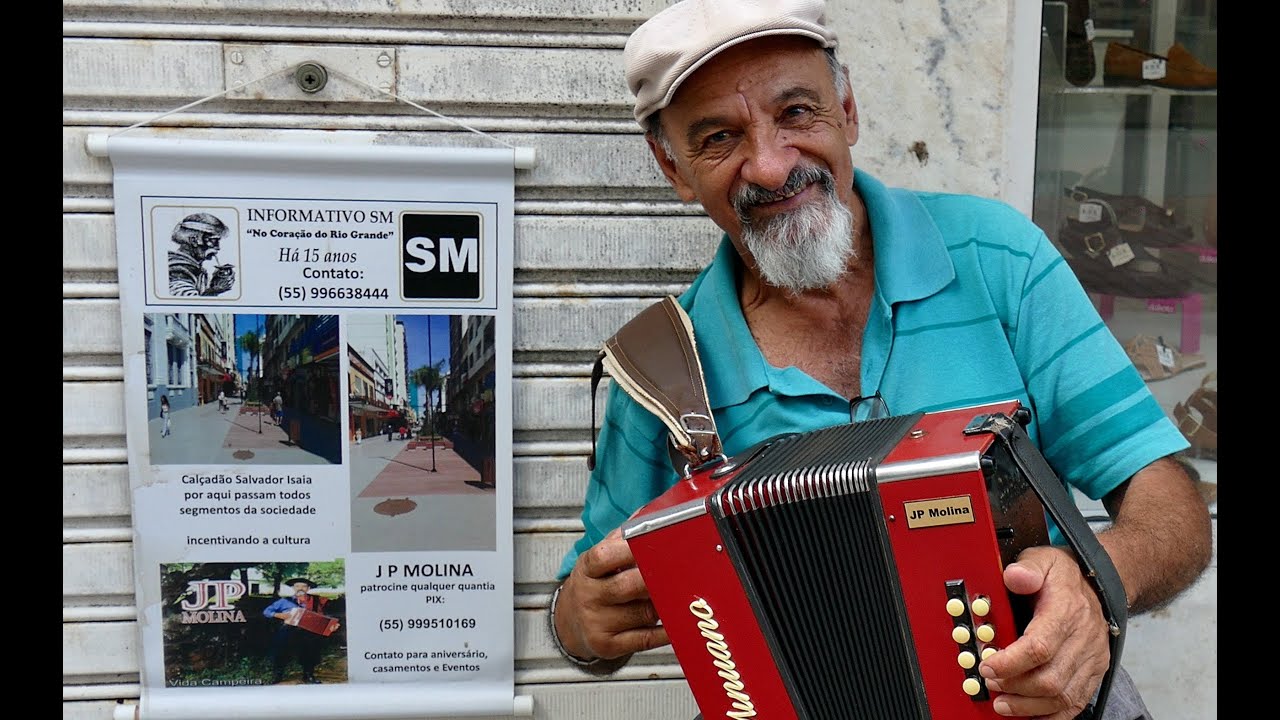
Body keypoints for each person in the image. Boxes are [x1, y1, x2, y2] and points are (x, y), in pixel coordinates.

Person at [548, 2, 1213, 719]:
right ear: (673, 167)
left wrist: (1093, 582)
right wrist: (583, 620)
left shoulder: (999, 260)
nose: (771, 165)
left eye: (796, 112)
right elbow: (580, 609)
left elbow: (1170, 501)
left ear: (848, 110)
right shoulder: (665, 368)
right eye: (719, 137)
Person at [262, 577, 338, 684]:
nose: (300, 588)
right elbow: (266, 611)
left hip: (310, 632)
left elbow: (333, 611)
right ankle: (277, 675)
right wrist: (279, 614)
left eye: (304, 586)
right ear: (293, 588)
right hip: (289, 630)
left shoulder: (318, 600)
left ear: (308, 588)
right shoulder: (284, 601)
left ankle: (308, 675)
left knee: (311, 652)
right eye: (297, 586)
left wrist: (334, 624)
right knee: (281, 651)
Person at [167, 212, 235, 297]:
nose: (218, 247)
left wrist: (213, 287)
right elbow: (189, 305)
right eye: (213, 240)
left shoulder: (194, 268)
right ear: (194, 240)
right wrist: (215, 290)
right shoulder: (177, 269)